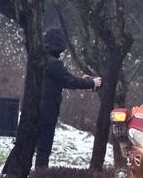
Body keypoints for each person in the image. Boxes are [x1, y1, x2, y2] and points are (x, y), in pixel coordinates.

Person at [36, 28, 101, 168]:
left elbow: (61, 80)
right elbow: (68, 80)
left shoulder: (40, 60)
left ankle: (10, 174)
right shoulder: (54, 63)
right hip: (48, 112)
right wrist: (91, 83)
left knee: (24, 146)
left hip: (35, 110)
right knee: (44, 149)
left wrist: (80, 80)